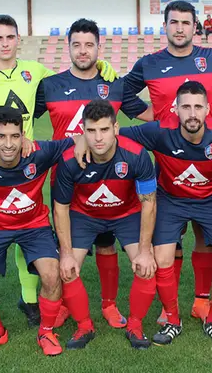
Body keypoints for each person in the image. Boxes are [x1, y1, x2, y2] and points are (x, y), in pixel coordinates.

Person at [0, 14, 117, 332]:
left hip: (26, 166)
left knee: (25, 235)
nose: (5, 43)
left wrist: (103, 71)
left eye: (10, 37)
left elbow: (71, 81)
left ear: (18, 40)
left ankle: (29, 301)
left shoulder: (36, 72)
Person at [78, 81, 212, 346]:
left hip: (209, 200)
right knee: (162, 257)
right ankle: (172, 319)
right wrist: (82, 139)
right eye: (186, 107)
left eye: (198, 107)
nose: (192, 114)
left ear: (207, 109)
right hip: (170, 201)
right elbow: (116, 135)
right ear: (176, 109)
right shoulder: (160, 131)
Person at [120, 0, 212, 325]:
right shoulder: (149, 63)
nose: (179, 28)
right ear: (166, 27)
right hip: (166, 150)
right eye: (174, 22)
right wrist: (150, 115)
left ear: (195, 27)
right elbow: (123, 93)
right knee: (168, 233)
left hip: (206, 147)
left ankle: (202, 301)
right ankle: (167, 305)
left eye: (186, 23)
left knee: (203, 234)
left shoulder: (211, 58)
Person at [31, 18, 151, 329]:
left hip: (110, 183)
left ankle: (109, 305)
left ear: (99, 48)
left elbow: (148, 114)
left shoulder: (115, 84)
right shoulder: (50, 86)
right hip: (68, 185)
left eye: (89, 45)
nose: (83, 51)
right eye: (77, 45)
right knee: (66, 252)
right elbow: (21, 121)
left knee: (106, 244)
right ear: (68, 47)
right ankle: (61, 305)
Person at [0, 106, 74, 356]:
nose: (8, 144)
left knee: (52, 275)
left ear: (23, 135)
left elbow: (79, 140)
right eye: (1, 136)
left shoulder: (39, 154)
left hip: (34, 226)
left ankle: (47, 331)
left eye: (15, 136)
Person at [53, 99, 158, 350]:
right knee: (66, 269)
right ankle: (84, 325)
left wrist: (145, 250)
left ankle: (135, 325)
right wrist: (66, 254)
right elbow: (61, 208)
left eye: (104, 130)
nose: (98, 138)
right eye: (91, 131)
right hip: (84, 216)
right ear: (83, 131)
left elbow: (149, 203)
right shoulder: (69, 161)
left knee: (146, 267)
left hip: (126, 214)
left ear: (116, 129)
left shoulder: (136, 155)